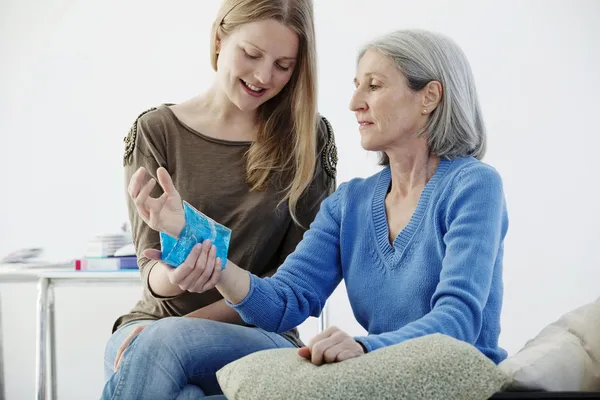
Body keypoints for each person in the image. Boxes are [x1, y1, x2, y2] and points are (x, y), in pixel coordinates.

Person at [110, 28, 509, 399]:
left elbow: (458, 322)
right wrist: (194, 240)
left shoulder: (472, 186)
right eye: (356, 86)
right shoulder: (350, 203)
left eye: (374, 85)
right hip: (380, 374)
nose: (354, 104)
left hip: (448, 375)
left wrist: (363, 346)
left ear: (429, 97)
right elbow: (285, 300)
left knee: (167, 342)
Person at [101, 0, 338, 398]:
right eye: (251, 54)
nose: (264, 76)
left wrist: (181, 330)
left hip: (258, 334)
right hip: (149, 325)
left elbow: (294, 283)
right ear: (218, 40)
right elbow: (151, 270)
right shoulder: (156, 131)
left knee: (162, 347)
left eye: (284, 65)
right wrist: (175, 279)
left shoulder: (308, 141)